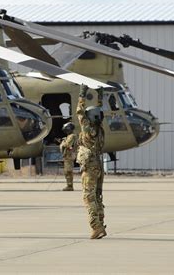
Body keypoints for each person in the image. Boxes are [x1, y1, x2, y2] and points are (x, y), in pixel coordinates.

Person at [76, 84, 106, 239]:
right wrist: (100, 96)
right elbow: (99, 112)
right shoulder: (100, 129)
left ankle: (96, 227)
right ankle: (101, 224)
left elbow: (79, 111)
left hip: (90, 166)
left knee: (88, 196)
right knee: (97, 195)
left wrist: (83, 94)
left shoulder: (87, 129)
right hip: (98, 165)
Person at [57, 122, 78, 191]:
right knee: (67, 171)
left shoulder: (72, 136)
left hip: (69, 156)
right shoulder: (69, 136)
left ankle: (70, 186)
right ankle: (69, 185)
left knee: (68, 171)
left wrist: (63, 142)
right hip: (67, 156)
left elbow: (67, 145)